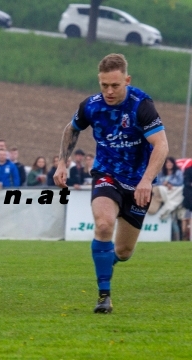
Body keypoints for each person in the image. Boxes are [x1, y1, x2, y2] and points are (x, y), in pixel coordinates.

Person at [53, 53, 168, 314]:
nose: (109, 91)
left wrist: (147, 181)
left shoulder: (142, 106)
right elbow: (71, 129)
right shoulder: (91, 106)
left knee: (124, 252)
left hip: (138, 181)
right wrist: (62, 163)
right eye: (104, 85)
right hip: (107, 174)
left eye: (115, 85)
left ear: (127, 80)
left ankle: (106, 260)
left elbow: (161, 145)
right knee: (103, 224)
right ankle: (104, 296)